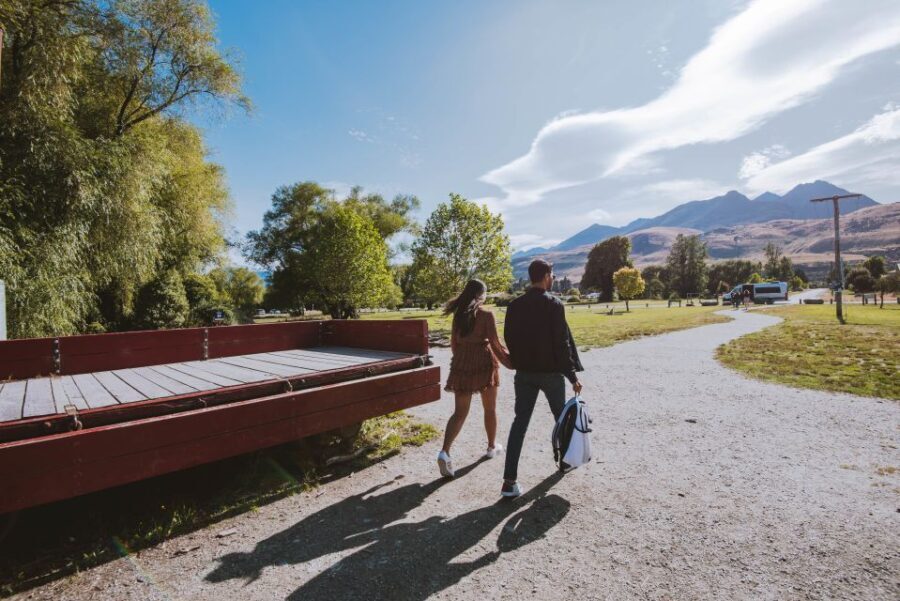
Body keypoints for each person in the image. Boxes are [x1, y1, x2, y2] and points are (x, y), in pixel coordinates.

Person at [501, 259, 584, 498]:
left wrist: (520, 361)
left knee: (520, 424)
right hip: (551, 374)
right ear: (546, 275)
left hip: (525, 374)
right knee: (561, 419)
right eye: (553, 275)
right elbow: (562, 344)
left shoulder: (514, 305)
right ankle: (566, 461)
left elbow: (509, 337)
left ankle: (509, 481)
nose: (553, 279)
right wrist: (572, 376)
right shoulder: (554, 305)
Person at [437, 279, 513, 478]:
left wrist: (463, 359)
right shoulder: (486, 315)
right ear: (481, 295)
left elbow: (454, 344)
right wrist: (511, 363)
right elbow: (496, 344)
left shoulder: (458, 316)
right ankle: (491, 447)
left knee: (459, 413)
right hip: (484, 364)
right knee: (490, 408)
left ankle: (444, 452)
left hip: (462, 364)